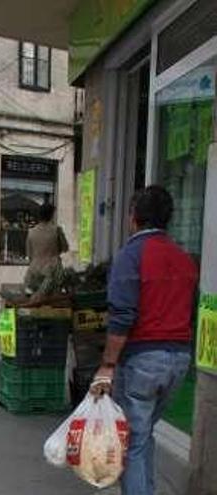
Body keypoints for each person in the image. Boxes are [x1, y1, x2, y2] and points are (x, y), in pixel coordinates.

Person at [90, 186, 198, 495]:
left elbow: (122, 316)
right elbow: (189, 309)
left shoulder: (131, 255)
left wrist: (107, 365)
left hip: (143, 360)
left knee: (133, 443)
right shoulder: (184, 258)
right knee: (144, 434)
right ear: (168, 220)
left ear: (133, 217)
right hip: (179, 360)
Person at [23, 203, 69, 298]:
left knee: (34, 300)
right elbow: (65, 248)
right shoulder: (57, 230)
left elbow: (29, 254)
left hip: (34, 273)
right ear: (52, 215)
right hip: (53, 272)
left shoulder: (31, 232)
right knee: (52, 302)